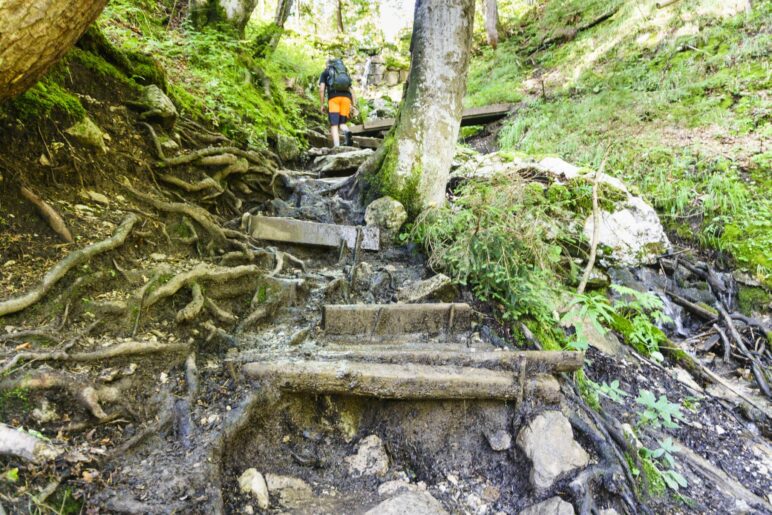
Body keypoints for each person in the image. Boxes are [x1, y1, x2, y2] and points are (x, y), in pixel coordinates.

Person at [319, 58, 358, 147]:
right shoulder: (344, 73)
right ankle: (347, 132)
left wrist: (322, 104)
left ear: (327, 65)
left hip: (334, 99)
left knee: (334, 125)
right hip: (346, 98)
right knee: (342, 123)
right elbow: (351, 90)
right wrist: (354, 105)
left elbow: (321, 89)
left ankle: (337, 146)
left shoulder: (325, 73)